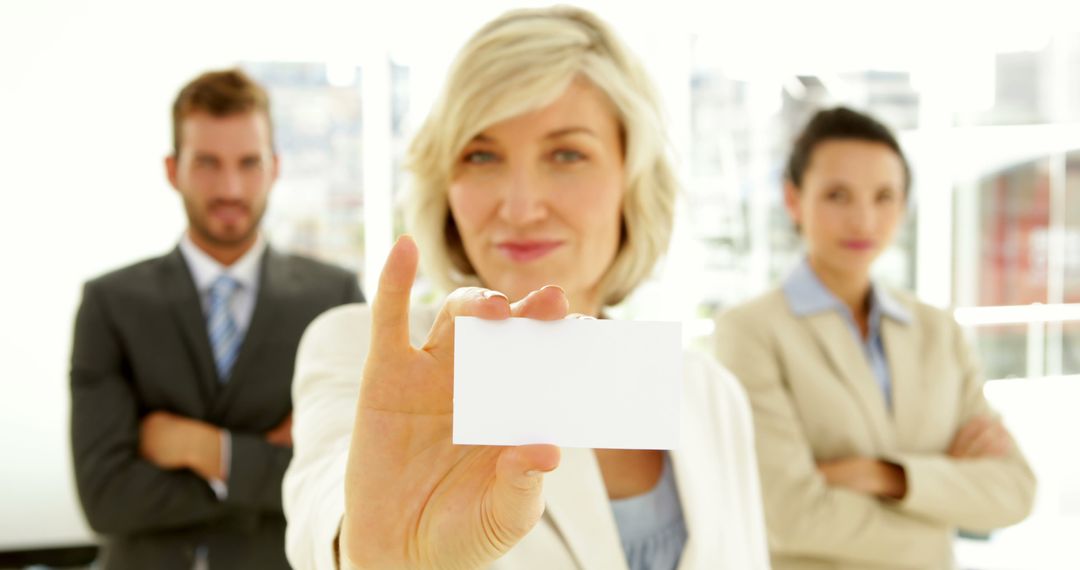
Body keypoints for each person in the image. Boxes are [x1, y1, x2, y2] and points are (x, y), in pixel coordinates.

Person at [283, 7, 769, 570]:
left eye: (567, 154)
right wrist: (374, 550)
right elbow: (329, 506)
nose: (519, 207)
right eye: (481, 155)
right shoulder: (370, 353)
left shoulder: (709, 392)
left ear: (631, 179)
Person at [713, 107, 1036, 569]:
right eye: (837, 195)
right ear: (793, 199)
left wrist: (887, 477)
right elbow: (788, 515)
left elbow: (1015, 490)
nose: (864, 220)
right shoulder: (751, 330)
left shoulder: (937, 330)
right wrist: (941, 505)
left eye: (884, 196)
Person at [69, 69, 364, 569]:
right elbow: (106, 497)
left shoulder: (333, 298)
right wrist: (266, 467)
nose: (230, 187)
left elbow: (348, 480)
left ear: (274, 167)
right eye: (207, 163)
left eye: (248, 163)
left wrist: (207, 450)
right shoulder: (110, 303)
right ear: (172, 169)